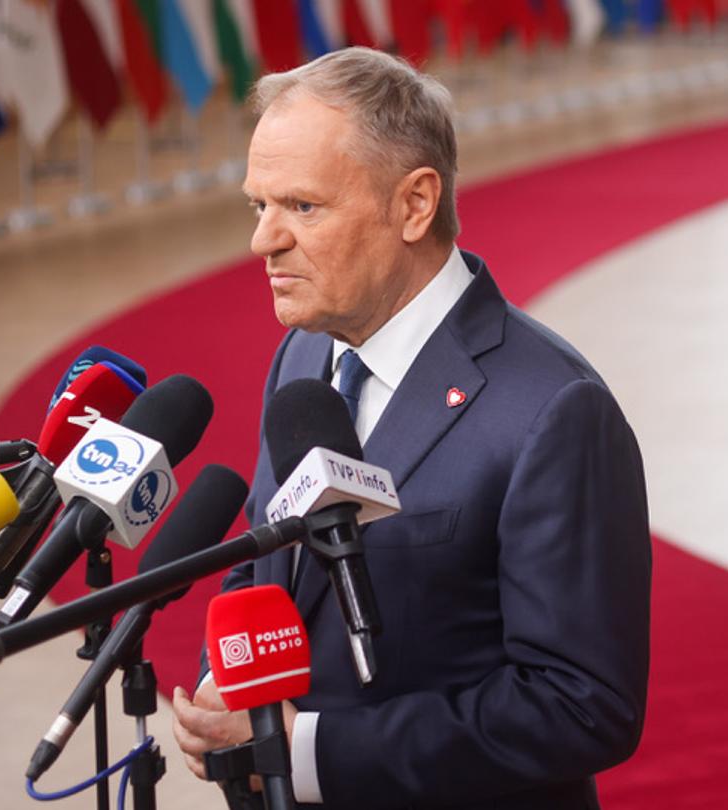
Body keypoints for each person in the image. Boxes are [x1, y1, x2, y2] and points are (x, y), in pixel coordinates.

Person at [170, 47, 651, 809]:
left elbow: (581, 706)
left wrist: (309, 752)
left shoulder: (553, 410)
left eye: (302, 207)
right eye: (257, 206)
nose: (264, 240)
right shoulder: (303, 356)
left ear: (415, 205)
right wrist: (222, 679)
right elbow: (267, 562)